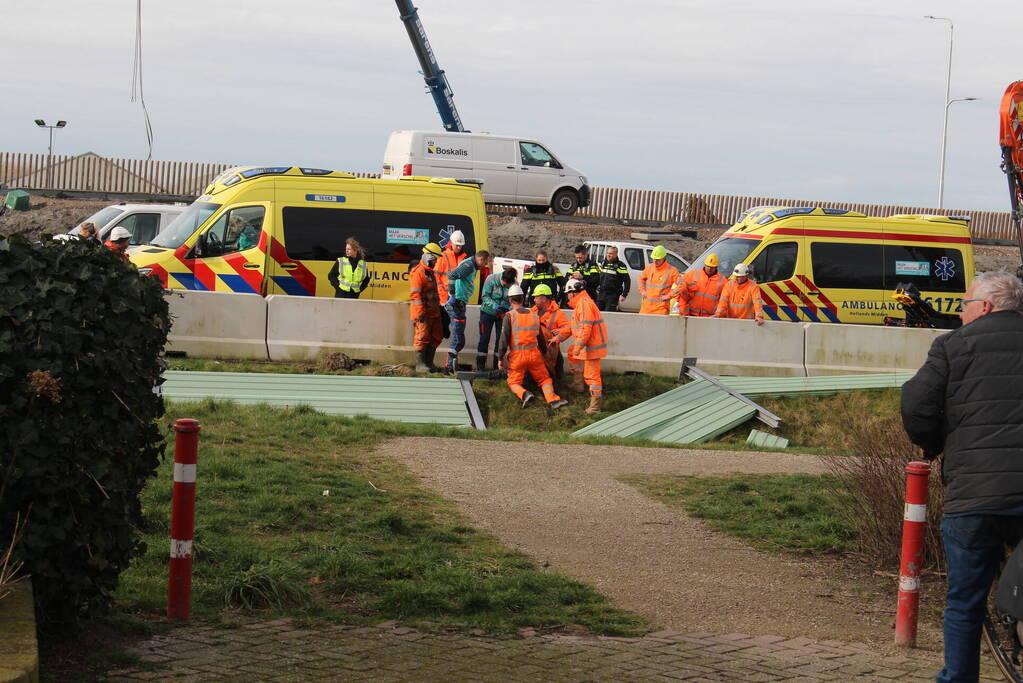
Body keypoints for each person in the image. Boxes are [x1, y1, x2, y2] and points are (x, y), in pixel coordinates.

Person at [901, 272, 1023, 683]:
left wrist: (933, 444)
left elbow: (916, 403)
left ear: (985, 306)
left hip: (974, 493)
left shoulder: (952, 346)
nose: (960, 313)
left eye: (964, 305)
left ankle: (958, 678)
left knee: (965, 600)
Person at [497, 285, 568, 410]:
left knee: (513, 382)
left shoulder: (509, 316)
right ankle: (553, 400)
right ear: (522, 298)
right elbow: (540, 338)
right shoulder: (534, 315)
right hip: (535, 355)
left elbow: (504, 339)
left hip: (518, 357)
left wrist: (500, 358)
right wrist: (544, 352)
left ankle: (525, 394)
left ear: (510, 300)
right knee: (544, 379)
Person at [565, 278, 608, 415]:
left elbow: (585, 328)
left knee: (592, 375)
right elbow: (573, 327)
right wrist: (559, 337)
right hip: (588, 344)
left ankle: (595, 407)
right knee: (571, 352)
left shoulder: (584, 304)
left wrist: (578, 347)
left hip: (592, 346)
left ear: (572, 293)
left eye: (567, 293)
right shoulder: (582, 304)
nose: (567, 296)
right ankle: (578, 384)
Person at [444, 249, 491, 374]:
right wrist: (453, 295)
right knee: (458, 339)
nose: (485, 265)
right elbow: (452, 275)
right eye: (485, 263)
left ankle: (451, 364)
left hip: (459, 303)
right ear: (481, 259)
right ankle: (449, 366)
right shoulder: (469, 266)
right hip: (457, 304)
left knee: (458, 337)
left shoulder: (472, 265)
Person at [408, 242, 445, 372]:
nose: (436, 262)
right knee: (422, 337)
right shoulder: (418, 273)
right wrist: (420, 313)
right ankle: (420, 365)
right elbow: (415, 295)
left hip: (434, 312)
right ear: (429, 257)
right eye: (435, 259)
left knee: (437, 336)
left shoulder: (430, 273)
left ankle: (429, 363)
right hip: (423, 313)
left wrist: (440, 309)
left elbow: (434, 293)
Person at [477, 267, 516, 370]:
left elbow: (514, 301)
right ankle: (480, 366)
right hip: (487, 312)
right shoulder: (491, 278)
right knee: (484, 338)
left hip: (503, 315)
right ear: (502, 277)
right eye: (504, 284)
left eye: (508, 285)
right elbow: (485, 296)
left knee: (501, 340)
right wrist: (495, 306)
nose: (505, 286)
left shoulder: (514, 284)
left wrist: (508, 309)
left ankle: (497, 367)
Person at [531, 283, 572, 378]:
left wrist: (560, 331)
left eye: (536, 297)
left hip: (551, 353)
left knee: (555, 377)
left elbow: (568, 328)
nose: (534, 300)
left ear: (543, 298)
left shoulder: (558, 314)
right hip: (536, 351)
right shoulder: (533, 311)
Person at [637, 245, 680, 315]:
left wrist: (668, 296)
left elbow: (681, 285)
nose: (655, 261)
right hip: (646, 308)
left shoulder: (672, 271)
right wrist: (642, 291)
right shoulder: (649, 267)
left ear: (664, 258)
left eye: (658, 259)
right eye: (654, 259)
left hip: (661, 310)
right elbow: (640, 279)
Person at [678, 253, 724, 317]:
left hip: (710, 318)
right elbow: (682, 293)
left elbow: (723, 302)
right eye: (707, 266)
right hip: (691, 315)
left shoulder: (723, 281)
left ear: (716, 267)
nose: (709, 268)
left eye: (712, 267)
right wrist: (684, 313)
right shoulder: (692, 274)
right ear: (704, 264)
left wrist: (717, 315)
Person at [435, 230, 468, 307]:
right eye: (457, 245)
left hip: (458, 297)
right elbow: (435, 276)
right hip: (444, 297)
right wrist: (441, 291)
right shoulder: (443, 257)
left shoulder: (464, 258)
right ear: (451, 243)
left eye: (461, 245)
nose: (459, 247)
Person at [594, 246, 630, 312]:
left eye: (611, 253)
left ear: (616, 254)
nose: (608, 255)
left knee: (609, 314)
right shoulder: (602, 263)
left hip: (612, 295)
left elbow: (627, 281)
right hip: (601, 294)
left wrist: (624, 295)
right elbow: (596, 277)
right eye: (607, 253)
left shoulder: (620, 265)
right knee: (597, 313)